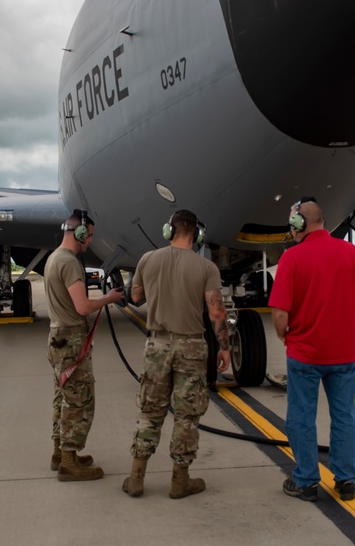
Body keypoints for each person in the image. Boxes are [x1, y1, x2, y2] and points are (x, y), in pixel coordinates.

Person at [269, 198, 355, 502]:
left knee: (301, 417)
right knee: (344, 416)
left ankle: (306, 482)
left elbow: (279, 313)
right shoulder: (350, 252)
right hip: (343, 355)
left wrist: (285, 336)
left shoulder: (292, 258)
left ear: (298, 225)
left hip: (305, 354)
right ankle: (346, 481)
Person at [122, 209, 230, 499]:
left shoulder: (148, 259)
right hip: (192, 347)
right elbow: (216, 311)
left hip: (156, 345)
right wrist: (225, 347)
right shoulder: (207, 268)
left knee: (150, 411)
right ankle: (179, 481)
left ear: (169, 231)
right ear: (197, 235)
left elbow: (135, 296)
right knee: (187, 415)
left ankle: (136, 478)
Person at [45, 209, 124, 482]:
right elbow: (83, 306)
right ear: (79, 233)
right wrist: (109, 298)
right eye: (89, 236)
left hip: (58, 336)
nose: (90, 241)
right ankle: (69, 463)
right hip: (71, 340)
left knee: (63, 398)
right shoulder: (68, 262)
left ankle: (60, 453)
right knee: (79, 401)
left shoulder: (53, 257)